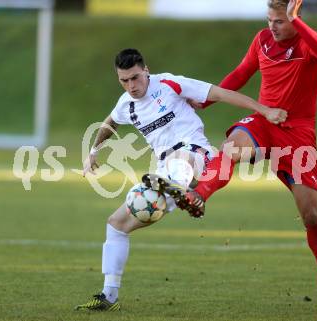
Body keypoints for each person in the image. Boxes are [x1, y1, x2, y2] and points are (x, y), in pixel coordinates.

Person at [162, 0, 317, 316]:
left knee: (311, 217)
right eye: (269, 19)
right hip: (263, 121)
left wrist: (296, 22)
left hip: (297, 133)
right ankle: (197, 194)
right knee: (232, 146)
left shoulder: (307, 43)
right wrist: (207, 100)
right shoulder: (262, 40)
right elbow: (243, 71)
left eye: (279, 21)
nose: (272, 26)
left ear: (295, 20)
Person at [75, 48, 287, 311]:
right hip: (165, 171)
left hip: (198, 156)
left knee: (180, 157)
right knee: (116, 224)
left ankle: (180, 188)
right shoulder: (126, 104)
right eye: (124, 80)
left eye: (136, 78)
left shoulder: (170, 84)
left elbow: (222, 93)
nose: (131, 85)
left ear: (146, 70)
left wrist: (264, 110)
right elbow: (109, 124)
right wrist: (93, 151)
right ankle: (109, 295)